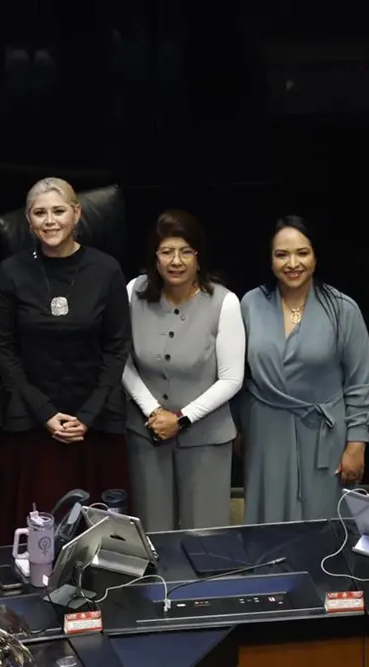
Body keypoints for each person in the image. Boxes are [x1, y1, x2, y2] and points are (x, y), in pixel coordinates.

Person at [0, 177, 131, 549]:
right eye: (40, 213)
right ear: (28, 221)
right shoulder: (11, 272)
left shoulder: (106, 269)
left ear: (76, 213)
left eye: (59, 211)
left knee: (95, 545)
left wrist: (88, 415)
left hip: (92, 426)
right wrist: (47, 414)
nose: (50, 221)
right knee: (31, 539)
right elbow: (5, 351)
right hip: (32, 424)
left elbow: (117, 348)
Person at [238, 217, 369, 524]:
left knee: (324, 523)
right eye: (281, 254)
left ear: (316, 257)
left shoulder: (343, 309)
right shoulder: (250, 303)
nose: (292, 263)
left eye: (302, 253)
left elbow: (360, 383)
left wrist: (357, 444)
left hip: (324, 435)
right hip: (265, 431)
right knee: (267, 522)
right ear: (270, 259)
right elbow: (238, 374)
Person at [121, 211, 244, 532]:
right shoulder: (134, 292)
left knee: (203, 536)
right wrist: (153, 412)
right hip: (147, 435)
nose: (176, 261)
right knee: (152, 532)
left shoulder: (224, 302)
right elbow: (121, 360)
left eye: (185, 252)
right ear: (155, 258)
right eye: (166, 252)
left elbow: (232, 378)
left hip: (206, 440)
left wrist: (181, 418)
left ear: (198, 258)